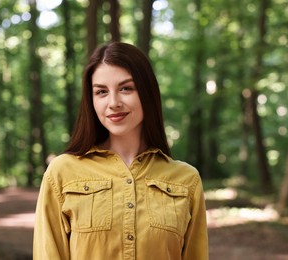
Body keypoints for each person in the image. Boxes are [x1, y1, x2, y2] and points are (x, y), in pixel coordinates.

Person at [33, 42, 209, 260]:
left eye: (126, 88)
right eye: (101, 92)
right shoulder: (62, 172)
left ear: (147, 92)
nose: (113, 102)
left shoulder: (186, 181)